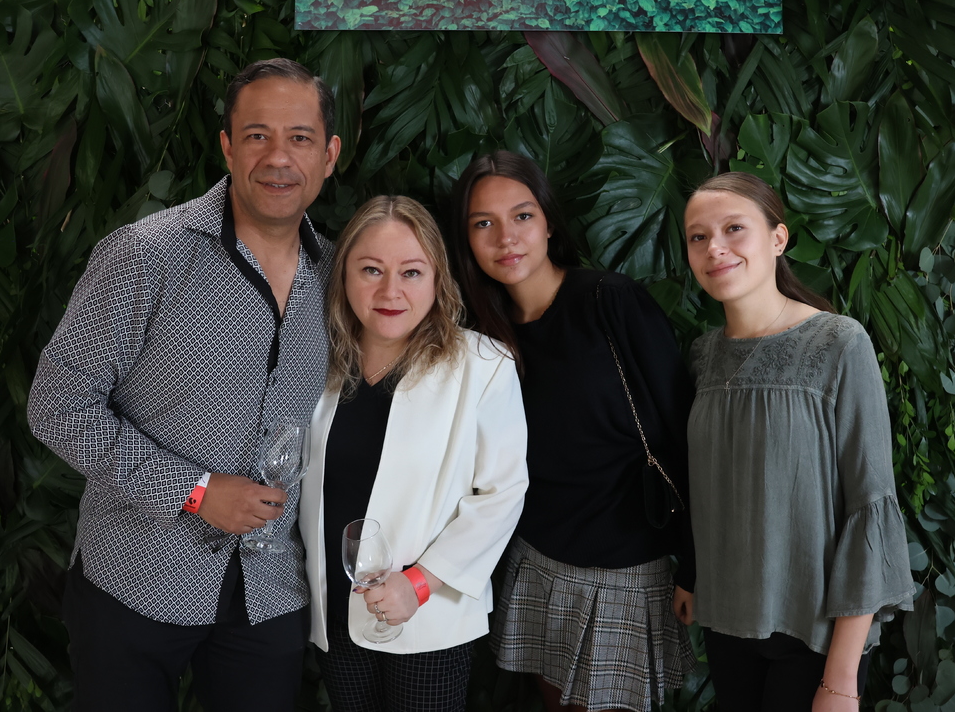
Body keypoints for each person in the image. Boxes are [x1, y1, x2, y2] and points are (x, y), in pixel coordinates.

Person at [27, 58, 341, 711]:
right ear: (227, 146)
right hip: (135, 575)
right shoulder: (146, 255)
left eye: (300, 138)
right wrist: (194, 490)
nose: (278, 157)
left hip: (269, 589)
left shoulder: (341, 277)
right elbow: (57, 405)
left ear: (329, 154)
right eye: (257, 135)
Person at [449, 151, 696, 712]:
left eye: (522, 216)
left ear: (548, 223)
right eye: (483, 223)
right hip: (537, 560)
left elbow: (683, 432)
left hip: (626, 566)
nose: (506, 238)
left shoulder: (610, 301)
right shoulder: (479, 337)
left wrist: (694, 565)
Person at [682, 172, 915, 712]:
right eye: (698, 236)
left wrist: (841, 679)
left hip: (814, 639)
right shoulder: (702, 356)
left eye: (733, 228)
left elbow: (869, 505)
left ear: (778, 238)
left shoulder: (839, 342)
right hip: (726, 627)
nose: (714, 247)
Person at [299, 195, 529, 712]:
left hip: (429, 618)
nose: (390, 291)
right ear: (343, 275)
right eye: (371, 270)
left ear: (437, 278)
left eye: (411, 272)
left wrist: (419, 584)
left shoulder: (483, 365)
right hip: (335, 610)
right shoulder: (318, 362)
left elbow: (503, 494)